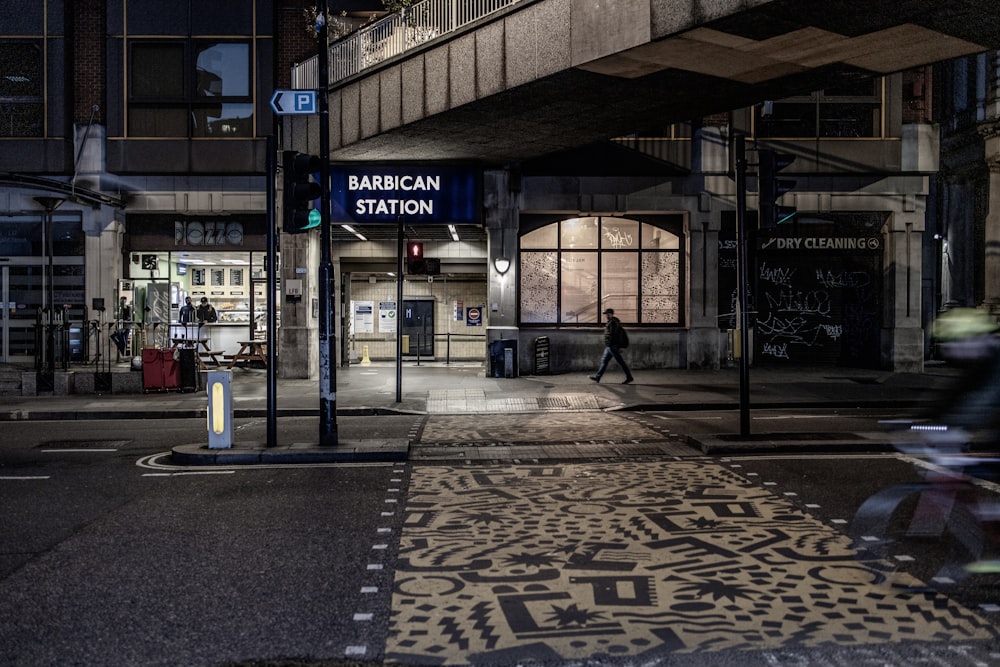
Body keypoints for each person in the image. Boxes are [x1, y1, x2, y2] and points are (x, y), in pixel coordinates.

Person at [590, 308, 634, 384]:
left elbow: (614, 335)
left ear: (611, 314)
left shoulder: (613, 323)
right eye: (606, 314)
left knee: (620, 362)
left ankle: (629, 377)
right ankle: (597, 377)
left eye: (607, 314)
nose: (606, 316)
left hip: (612, 346)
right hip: (609, 346)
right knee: (604, 361)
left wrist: (617, 346)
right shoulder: (611, 322)